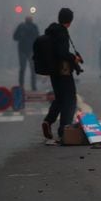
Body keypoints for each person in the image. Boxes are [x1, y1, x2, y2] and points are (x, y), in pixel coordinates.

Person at [42, 8, 83, 142]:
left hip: (53, 71)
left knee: (60, 98)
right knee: (70, 99)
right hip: (63, 71)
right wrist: (74, 58)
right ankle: (64, 130)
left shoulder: (52, 31)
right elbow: (62, 53)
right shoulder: (61, 33)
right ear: (70, 21)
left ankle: (48, 121)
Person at [13, 15, 39, 91]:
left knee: (27, 69)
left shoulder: (26, 26)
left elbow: (15, 37)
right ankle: (29, 86)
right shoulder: (25, 26)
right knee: (28, 69)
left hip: (27, 50)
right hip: (25, 50)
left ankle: (27, 86)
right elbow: (15, 37)